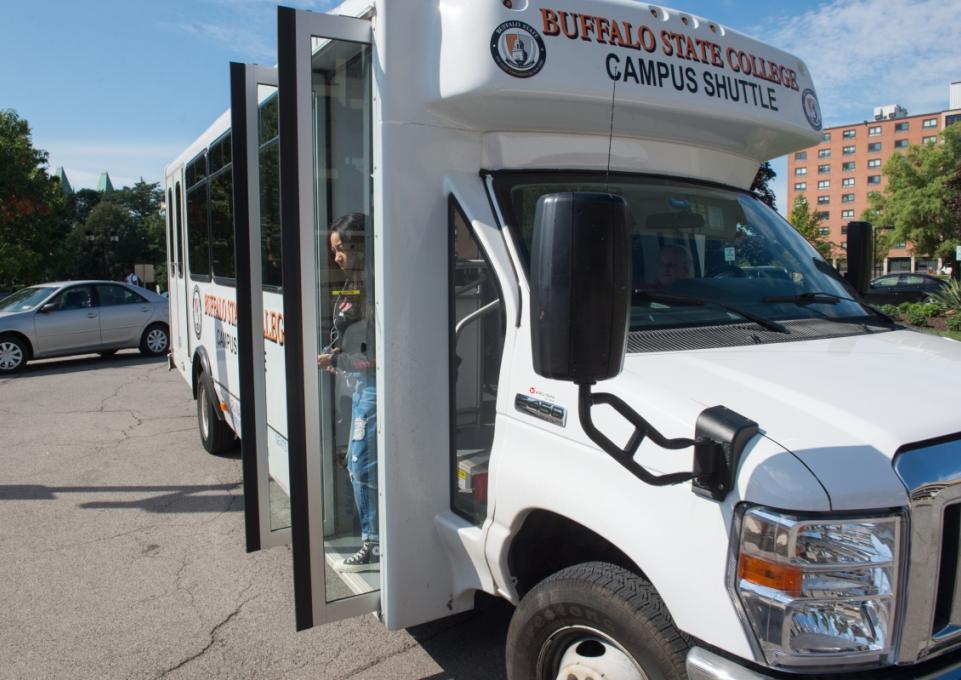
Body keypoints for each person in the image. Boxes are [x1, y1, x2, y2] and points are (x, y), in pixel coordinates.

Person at [317, 213, 379, 572]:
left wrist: (340, 363)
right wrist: (339, 357)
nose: (336, 257)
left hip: (371, 389)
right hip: (360, 389)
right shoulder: (355, 283)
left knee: (360, 464)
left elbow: (375, 356)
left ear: (359, 245)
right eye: (334, 250)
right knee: (360, 463)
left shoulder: (373, 287)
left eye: (340, 249)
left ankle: (373, 541)